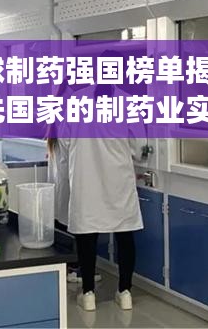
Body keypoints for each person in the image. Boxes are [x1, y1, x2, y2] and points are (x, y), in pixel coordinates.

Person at [68, 81, 147, 312]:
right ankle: (125, 292)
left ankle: (88, 294)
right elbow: (139, 147)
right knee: (124, 234)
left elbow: (64, 140)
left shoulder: (75, 100)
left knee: (87, 236)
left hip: (86, 178)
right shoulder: (128, 102)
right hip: (118, 179)